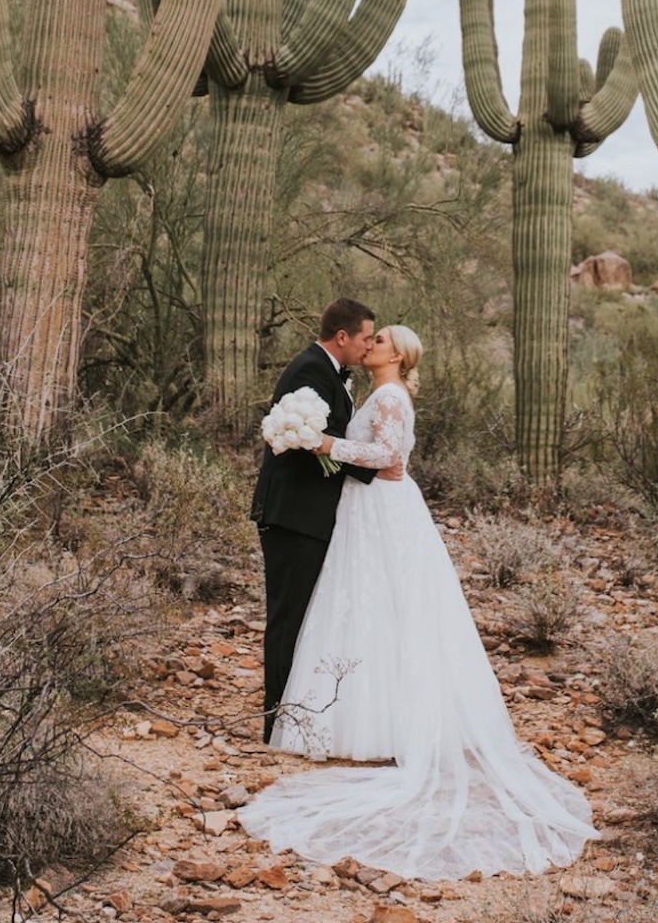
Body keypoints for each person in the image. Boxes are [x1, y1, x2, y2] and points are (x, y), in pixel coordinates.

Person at [238, 325, 598, 880]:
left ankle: (376, 723)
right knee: (364, 607)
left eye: (381, 340)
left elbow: (385, 456)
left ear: (399, 356)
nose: (373, 343)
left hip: (382, 506)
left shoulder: (388, 395)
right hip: (367, 506)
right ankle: (350, 717)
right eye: (371, 337)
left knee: (384, 605)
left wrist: (323, 442)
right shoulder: (375, 393)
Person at [251, 298, 401, 742]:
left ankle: (291, 715)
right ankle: (276, 721)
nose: (368, 345)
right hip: (293, 516)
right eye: (365, 337)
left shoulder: (327, 371)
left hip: (307, 516)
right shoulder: (310, 371)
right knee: (287, 617)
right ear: (343, 337)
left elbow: (324, 438)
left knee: (300, 616)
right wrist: (372, 466)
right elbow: (309, 442)